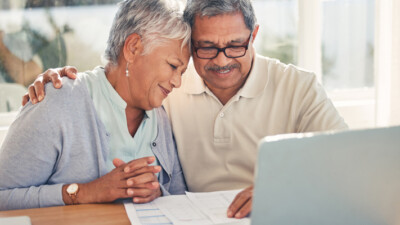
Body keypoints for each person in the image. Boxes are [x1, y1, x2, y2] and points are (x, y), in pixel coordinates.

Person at [22, 0, 348, 218]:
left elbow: (352, 165)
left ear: (254, 36)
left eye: (235, 45)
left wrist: (285, 190)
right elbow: (122, 74)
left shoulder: (298, 86)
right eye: (206, 48)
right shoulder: (167, 90)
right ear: (192, 45)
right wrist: (56, 80)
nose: (221, 60)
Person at [0, 0, 190, 211]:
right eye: (173, 66)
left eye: (182, 72)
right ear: (133, 48)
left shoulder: (160, 116)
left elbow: (178, 200)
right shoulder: (56, 102)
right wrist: (85, 192)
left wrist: (157, 192)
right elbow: (3, 196)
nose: (177, 82)